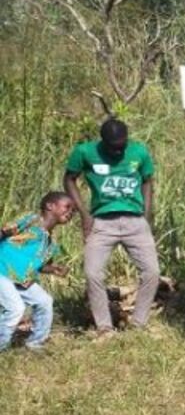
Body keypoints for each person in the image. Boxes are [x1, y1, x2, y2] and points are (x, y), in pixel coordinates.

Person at [65, 118, 160, 335]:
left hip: (135, 221)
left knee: (152, 271)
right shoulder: (84, 152)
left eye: (122, 146)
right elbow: (69, 179)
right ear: (103, 141)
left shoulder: (139, 152)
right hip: (101, 222)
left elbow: (147, 181)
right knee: (92, 273)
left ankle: (138, 324)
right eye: (113, 147)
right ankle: (105, 327)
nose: (118, 152)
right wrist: (85, 215)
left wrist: (145, 214)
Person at [0, 192, 74, 350]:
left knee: (45, 302)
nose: (70, 213)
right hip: (3, 270)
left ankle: (35, 344)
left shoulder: (52, 242)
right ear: (50, 206)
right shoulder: (31, 220)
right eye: (67, 207)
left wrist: (53, 269)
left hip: (22, 279)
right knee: (15, 308)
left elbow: (40, 266)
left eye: (73, 211)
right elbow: (4, 231)